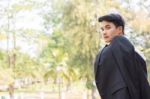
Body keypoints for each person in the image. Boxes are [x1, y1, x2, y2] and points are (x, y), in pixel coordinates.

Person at [94, 13, 150, 99]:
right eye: (102, 29)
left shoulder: (119, 43)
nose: (104, 32)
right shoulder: (128, 50)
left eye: (108, 27)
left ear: (119, 29)